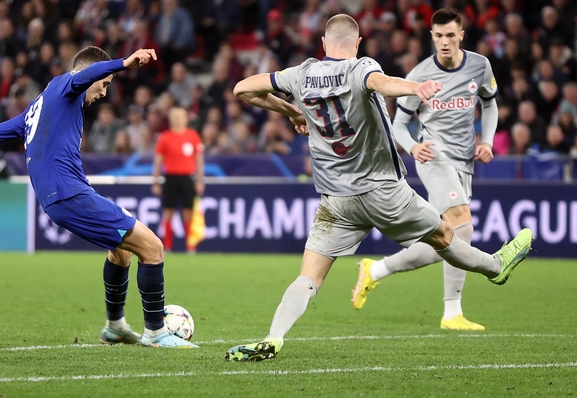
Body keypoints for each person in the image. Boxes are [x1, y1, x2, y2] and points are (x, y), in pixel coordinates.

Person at [224, 14, 532, 362]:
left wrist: (292, 111)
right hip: (382, 190)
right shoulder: (360, 67)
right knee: (446, 235)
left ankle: (273, 337)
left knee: (308, 278)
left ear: (324, 44)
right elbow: (381, 82)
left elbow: (243, 89)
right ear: (357, 44)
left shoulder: (300, 73)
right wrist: (415, 88)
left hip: (336, 201)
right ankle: (495, 266)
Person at [0, 46, 197, 349]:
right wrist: (122, 64)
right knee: (153, 247)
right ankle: (157, 332)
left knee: (122, 251)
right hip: (69, 194)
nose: (105, 91)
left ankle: (115, 326)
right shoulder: (65, 86)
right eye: (104, 83)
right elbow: (86, 75)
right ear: (86, 75)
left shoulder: (38, 108)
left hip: (62, 197)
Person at [350, 8, 500, 331]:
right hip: (432, 156)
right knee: (463, 226)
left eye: (450, 35)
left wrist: (486, 141)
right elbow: (399, 124)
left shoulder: (479, 66)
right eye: (438, 36)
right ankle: (452, 313)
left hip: (464, 162)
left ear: (461, 35)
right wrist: (413, 146)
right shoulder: (419, 75)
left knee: (443, 242)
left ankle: (374, 271)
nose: (444, 42)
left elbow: (489, 102)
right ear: (431, 37)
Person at [151, 107, 205, 252]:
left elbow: (199, 160)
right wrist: (155, 180)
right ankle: (167, 245)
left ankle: (190, 246)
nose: (178, 119)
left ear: (186, 119)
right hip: (171, 177)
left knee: (189, 211)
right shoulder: (165, 137)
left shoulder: (193, 136)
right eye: (175, 116)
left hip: (187, 177)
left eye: (181, 116)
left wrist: (200, 180)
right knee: (169, 211)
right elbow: (158, 161)